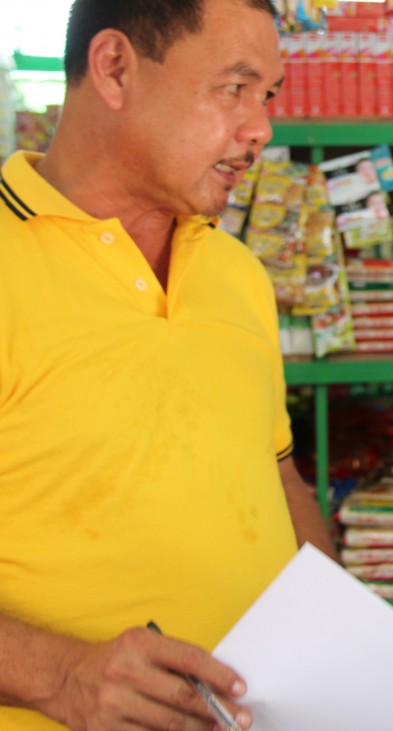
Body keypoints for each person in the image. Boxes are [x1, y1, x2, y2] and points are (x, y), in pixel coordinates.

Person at [0, 1, 334, 729]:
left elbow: (277, 478)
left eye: (268, 95)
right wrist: (61, 675)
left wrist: (339, 638)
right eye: (234, 88)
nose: (261, 128)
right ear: (115, 68)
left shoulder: (240, 275)